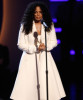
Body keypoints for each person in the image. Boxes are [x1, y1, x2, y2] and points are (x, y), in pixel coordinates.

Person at [10, 1, 66, 100]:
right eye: (35, 12)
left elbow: (54, 42)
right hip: (29, 59)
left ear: (43, 13)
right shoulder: (25, 26)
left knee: (45, 85)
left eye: (40, 12)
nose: (38, 14)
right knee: (29, 87)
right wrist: (35, 48)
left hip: (45, 58)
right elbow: (20, 44)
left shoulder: (48, 25)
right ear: (32, 13)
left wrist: (45, 47)